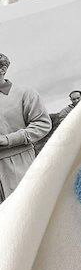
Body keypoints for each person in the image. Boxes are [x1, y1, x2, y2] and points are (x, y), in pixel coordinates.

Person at [0, 53, 51, 203]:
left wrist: (8, 140)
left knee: (27, 207)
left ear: (2, 69)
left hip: (19, 162)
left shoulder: (25, 93)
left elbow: (42, 124)